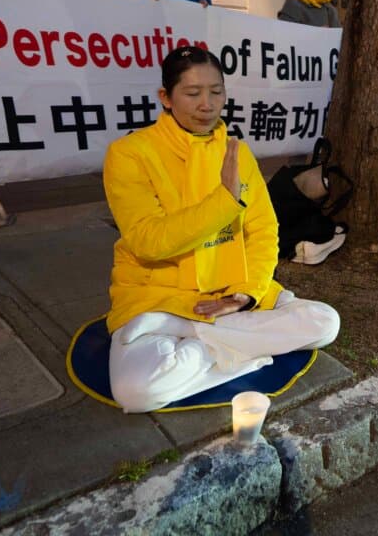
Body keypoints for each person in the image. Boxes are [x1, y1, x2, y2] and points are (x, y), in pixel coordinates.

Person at [102, 46, 338, 412]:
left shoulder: (235, 151)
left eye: (216, 92)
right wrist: (224, 202)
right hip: (161, 301)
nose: (207, 105)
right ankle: (234, 344)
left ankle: (202, 339)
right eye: (192, 94)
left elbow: (263, 230)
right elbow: (148, 241)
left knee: (326, 322)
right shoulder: (130, 153)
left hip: (229, 296)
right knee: (137, 391)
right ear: (165, 97)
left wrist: (246, 294)